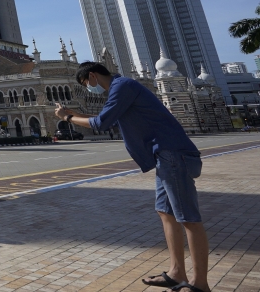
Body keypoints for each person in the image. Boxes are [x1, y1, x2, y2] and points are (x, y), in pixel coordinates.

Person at [55, 62, 209, 292]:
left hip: (172, 155)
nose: (88, 88)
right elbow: (107, 117)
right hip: (164, 157)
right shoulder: (121, 88)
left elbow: (101, 123)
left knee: (188, 219)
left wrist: (67, 119)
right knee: (165, 213)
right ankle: (177, 273)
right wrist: (72, 114)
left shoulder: (122, 86)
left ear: (93, 76)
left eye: (86, 83)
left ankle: (201, 284)